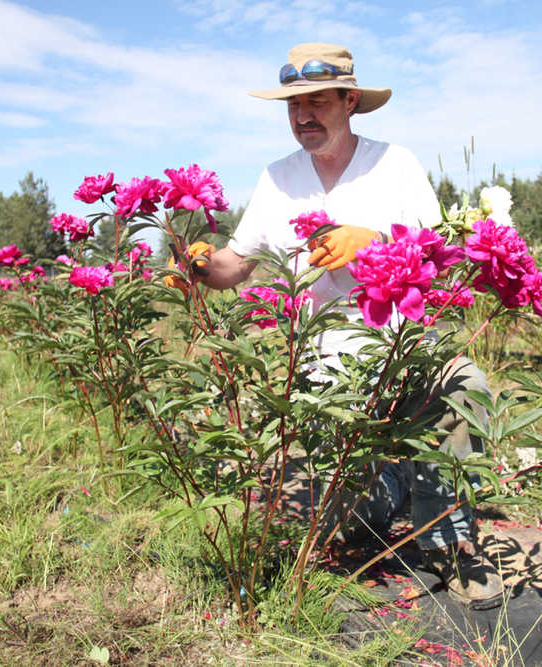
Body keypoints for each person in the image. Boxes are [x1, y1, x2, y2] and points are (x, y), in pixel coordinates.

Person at [189, 42, 503, 610]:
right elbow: (237, 264)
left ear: (350, 100)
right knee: (336, 533)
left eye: (317, 102)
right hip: (319, 372)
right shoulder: (276, 178)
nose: (303, 116)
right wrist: (198, 265)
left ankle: (453, 542)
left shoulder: (396, 165)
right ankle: (391, 486)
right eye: (293, 106)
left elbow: (439, 255)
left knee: (464, 384)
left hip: (402, 351)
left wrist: (375, 241)